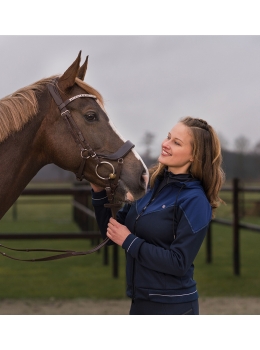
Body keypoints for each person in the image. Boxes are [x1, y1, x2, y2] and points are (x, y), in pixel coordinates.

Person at [90, 117, 225, 315]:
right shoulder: (149, 186)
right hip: (140, 302)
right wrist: (99, 191)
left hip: (173, 307)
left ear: (194, 156)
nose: (166, 144)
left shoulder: (195, 200)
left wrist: (129, 241)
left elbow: (179, 262)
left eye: (176, 143)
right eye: (169, 137)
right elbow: (111, 234)